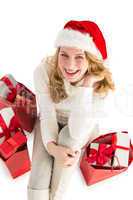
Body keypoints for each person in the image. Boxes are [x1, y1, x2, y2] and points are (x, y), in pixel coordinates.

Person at [27, 20, 118, 200]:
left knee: (68, 138)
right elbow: (47, 114)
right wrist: (52, 148)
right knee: (39, 173)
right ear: (57, 52)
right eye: (64, 55)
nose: (70, 65)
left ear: (91, 58)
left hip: (81, 125)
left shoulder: (100, 82)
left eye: (79, 57)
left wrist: (86, 86)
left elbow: (77, 131)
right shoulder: (44, 71)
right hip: (49, 120)